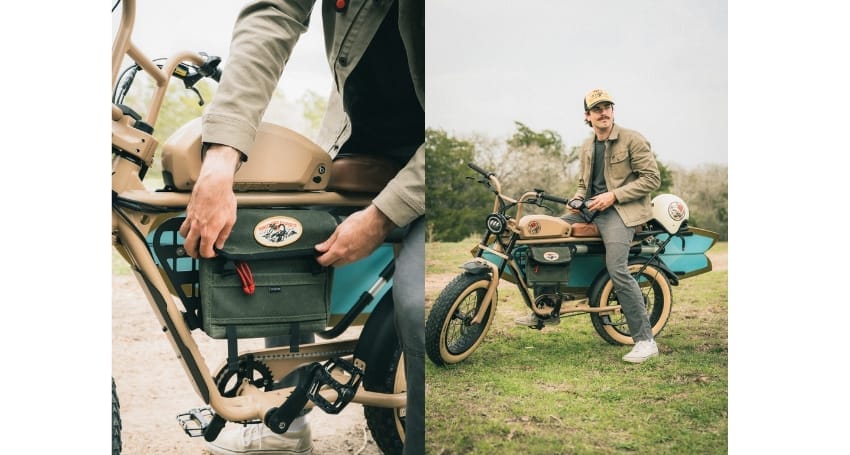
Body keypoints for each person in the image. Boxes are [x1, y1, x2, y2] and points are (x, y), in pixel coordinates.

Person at [177, 1, 425, 454]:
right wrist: (220, 158)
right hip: (357, 141)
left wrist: (382, 216)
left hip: (433, 160)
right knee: (282, 241)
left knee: (416, 301)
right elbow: (273, 14)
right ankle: (285, 429)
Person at [514, 88, 661, 364]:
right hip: (589, 210)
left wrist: (613, 195)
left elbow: (652, 179)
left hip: (622, 212)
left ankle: (645, 340)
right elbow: (584, 184)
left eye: (607, 107)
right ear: (587, 116)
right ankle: (545, 308)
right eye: (597, 109)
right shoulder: (586, 145)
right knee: (542, 235)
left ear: (613, 111)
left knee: (617, 268)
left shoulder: (633, 139)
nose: (603, 112)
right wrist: (579, 199)